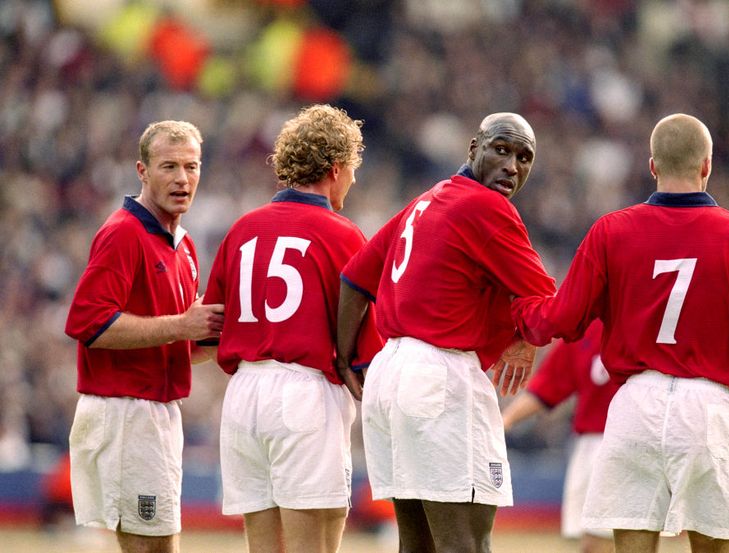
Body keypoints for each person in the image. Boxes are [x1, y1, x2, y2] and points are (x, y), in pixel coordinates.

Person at [511, 113, 729, 553]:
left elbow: (563, 318)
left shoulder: (610, 230)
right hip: (711, 409)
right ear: (707, 165)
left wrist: (518, 315)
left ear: (652, 165)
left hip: (635, 406)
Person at [336, 112, 557, 553]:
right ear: (473, 148)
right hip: (442, 376)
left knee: (416, 544)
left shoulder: (427, 199)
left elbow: (355, 279)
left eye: (524, 156)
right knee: (467, 544)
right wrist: (526, 337)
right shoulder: (488, 207)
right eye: (501, 149)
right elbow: (547, 302)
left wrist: (346, 360)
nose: (512, 166)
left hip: (390, 374)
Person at [202, 104, 382, 553]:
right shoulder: (343, 235)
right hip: (304, 395)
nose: (354, 181)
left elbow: (213, 324)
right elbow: (364, 345)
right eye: (353, 170)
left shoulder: (242, 229)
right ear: (336, 168)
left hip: (243, 397)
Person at [64, 120, 225, 553]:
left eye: (191, 167)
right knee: (152, 547)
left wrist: (231, 338)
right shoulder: (123, 233)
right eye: (168, 166)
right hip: (125, 414)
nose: (182, 178)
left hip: (155, 413)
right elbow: (89, 325)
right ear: (142, 171)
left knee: (159, 545)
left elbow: (181, 346)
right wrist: (181, 325)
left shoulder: (183, 245)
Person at [501, 319, 617, 553]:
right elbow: (547, 387)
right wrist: (505, 420)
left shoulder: (647, 321)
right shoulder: (584, 332)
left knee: (619, 539)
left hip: (630, 441)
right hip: (591, 445)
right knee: (591, 542)